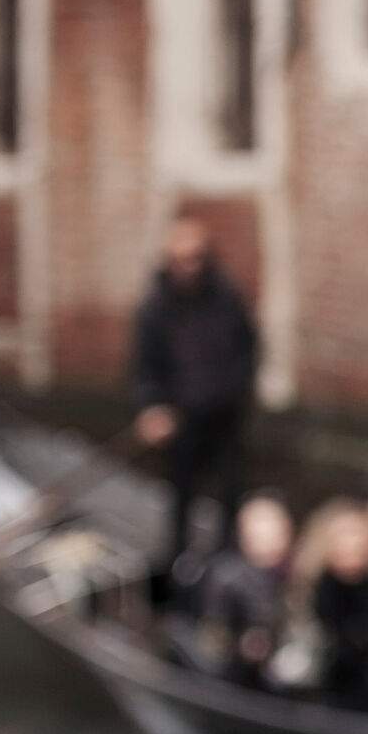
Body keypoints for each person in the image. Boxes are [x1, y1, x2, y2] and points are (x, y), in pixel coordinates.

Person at [129, 215, 262, 591]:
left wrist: (232, 392)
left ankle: (227, 568)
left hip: (223, 416)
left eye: (197, 258)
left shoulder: (226, 299)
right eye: (181, 259)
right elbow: (145, 367)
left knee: (230, 491)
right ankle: (177, 571)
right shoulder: (154, 308)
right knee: (180, 496)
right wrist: (151, 408)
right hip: (180, 420)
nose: (189, 267)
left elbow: (247, 350)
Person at [292, 500, 368, 715]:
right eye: (345, 535)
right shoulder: (310, 594)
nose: (353, 543)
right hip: (318, 705)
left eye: (358, 534)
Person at [177, 494, 293, 687]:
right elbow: (212, 634)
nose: (269, 541)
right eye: (260, 533)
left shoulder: (293, 576)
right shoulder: (225, 575)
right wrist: (241, 645)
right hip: (232, 676)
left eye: (275, 531)